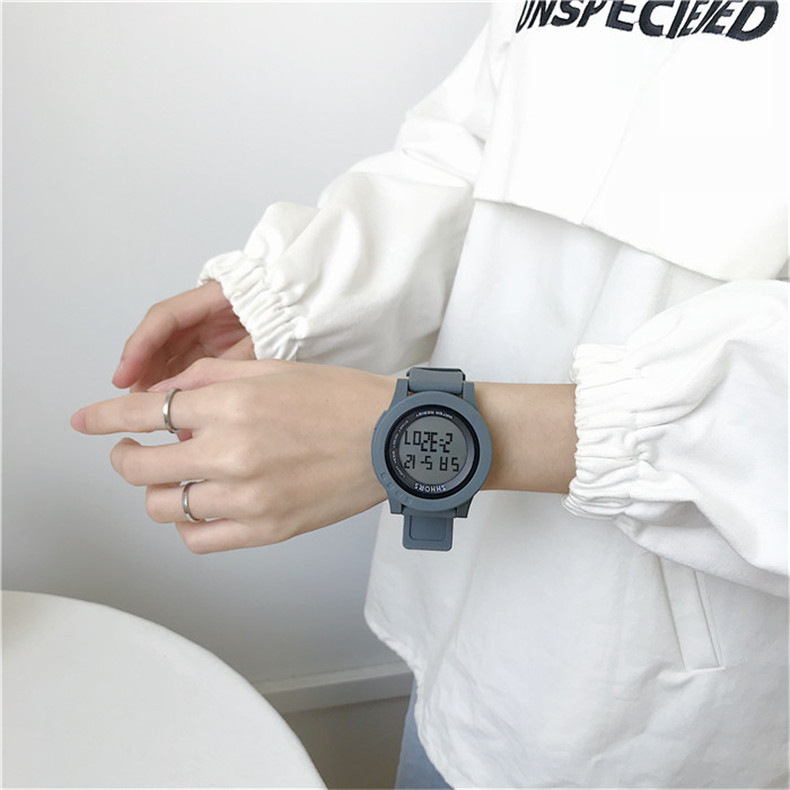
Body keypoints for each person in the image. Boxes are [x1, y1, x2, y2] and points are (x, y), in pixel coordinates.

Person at [72, 2, 788, 787]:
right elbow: (471, 151)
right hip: (461, 631)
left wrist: (404, 431)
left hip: (654, 716)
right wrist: (298, 292)